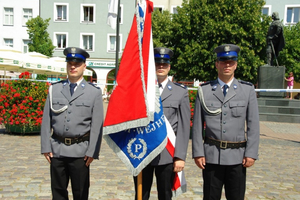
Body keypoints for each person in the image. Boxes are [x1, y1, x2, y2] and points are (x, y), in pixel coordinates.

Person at [192, 44, 260, 200]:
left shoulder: (247, 90)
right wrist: (198, 152)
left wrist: (251, 153)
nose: (227, 65)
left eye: (231, 62)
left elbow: (253, 125)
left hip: (237, 157)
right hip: (211, 156)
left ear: (236, 64)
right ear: (217, 64)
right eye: (223, 61)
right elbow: (197, 126)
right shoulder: (204, 90)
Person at [40, 47, 104, 200]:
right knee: (58, 193)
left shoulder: (93, 92)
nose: (73, 66)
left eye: (77, 63)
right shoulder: (54, 89)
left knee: (80, 193)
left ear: (84, 65)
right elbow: (46, 119)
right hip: (57, 150)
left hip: (80, 153)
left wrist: (92, 151)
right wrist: (45, 147)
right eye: (70, 63)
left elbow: (97, 125)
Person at [133, 47, 191, 200]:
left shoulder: (180, 92)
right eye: (157, 63)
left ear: (169, 67)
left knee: (165, 195)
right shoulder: (141, 89)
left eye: (164, 64)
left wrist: (180, 156)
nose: (161, 67)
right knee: (140, 195)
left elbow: (184, 129)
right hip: (142, 151)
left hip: (167, 154)